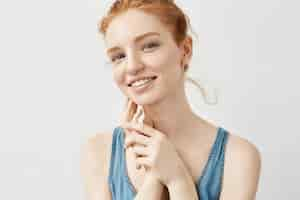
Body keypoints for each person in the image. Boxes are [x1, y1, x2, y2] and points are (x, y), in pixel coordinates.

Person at [80, 0, 262, 199]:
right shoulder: (99, 152)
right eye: (118, 56)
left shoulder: (237, 157)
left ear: (185, 50)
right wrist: (154, 179)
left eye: (149, 46)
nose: (132, 66)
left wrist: (177, 179)